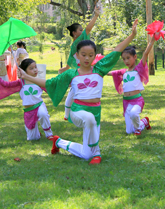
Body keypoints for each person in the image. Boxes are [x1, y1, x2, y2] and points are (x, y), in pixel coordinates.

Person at [18, 20, 138, 165]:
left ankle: (59, 142)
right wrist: (26, 76)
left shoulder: (100, 69)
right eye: (83, 55)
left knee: (86, 154)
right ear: (78, 55)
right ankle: (97, 152)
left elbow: (116, 51)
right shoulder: (71, 74)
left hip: (96, 112)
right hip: (78, 111)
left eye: (90, 55)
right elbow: (49, 83)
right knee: (89, 121)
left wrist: (132, 35)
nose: (87, 58)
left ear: (94, 56)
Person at [59, 0, 102, 121]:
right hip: (80, 74)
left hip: (82, 73)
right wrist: (95, 16)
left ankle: (68, 114)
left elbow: (69, 61)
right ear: (74, 33)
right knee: (73, 93)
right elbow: (88, 29)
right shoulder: (77, 44)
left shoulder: (76, 45)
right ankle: (68, 115)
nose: (83, 31)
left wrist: (65, 69)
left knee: (74, 93)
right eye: (80, 30)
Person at [0, 58, 54, 141]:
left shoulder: (39, 81)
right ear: (24, 71)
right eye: (31, 68)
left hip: (39, 105)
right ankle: (36, 133)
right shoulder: (20, 83)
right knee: (33, 139)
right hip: (28, 110)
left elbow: (51, 87)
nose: (35, 70)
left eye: (35, 67)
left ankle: (49, 134)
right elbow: (6, 85)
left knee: (43, 114)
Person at [108, 38, 155, 135]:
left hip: (137, 100)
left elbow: (145, 53)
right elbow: (110, 73)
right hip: (126, 102)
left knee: (134, 114)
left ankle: (138, 128)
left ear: (135, 57)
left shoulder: (138, 69)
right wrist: (95, 68)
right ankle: (144, 122)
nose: (126, 61)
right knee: (129, 131)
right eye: (124, 59)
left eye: (128, 58)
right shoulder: (123, 72)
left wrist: (152, 40)